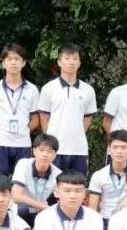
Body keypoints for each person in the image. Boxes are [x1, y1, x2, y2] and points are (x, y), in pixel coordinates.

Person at [35, 44, 96, 174]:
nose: (71, 62)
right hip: (55, 150)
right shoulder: (48, 88)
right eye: (67, 58)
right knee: (54, 184)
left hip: (79, 149)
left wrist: (77, 133)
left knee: (77, 183)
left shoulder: (88, 90)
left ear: (79, 63)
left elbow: (87, 117)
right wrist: (50, 141)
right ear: (59, 62)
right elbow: (44, 117)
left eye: (75, 59)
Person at [0, 43, 40, 176]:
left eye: (17, 59)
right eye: (9, 59)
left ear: (23, 63)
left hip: (23, 143)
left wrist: (23, 130)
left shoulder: (32, 90)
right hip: (0, 143)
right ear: (3, 63)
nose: (13, 62)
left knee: (22, 180)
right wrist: (0, 132)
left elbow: (35, 118)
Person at [10, 134, 61, 226]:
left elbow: (62, 198)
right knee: (22, 209)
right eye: (41, 150)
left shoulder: (57, 173)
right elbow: (16, 196)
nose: (45, 155)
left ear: (55, 155)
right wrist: (43, 206)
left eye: (50, 151)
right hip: (21, 209)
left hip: (42, 211)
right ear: (34, 151)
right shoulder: (23, 164)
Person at [87, 130, 127, 222]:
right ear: (108, 149)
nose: (119, 151)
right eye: (115, 147)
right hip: (106, 220)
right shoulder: (99, 175)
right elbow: (92, 208)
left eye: (123, 147)